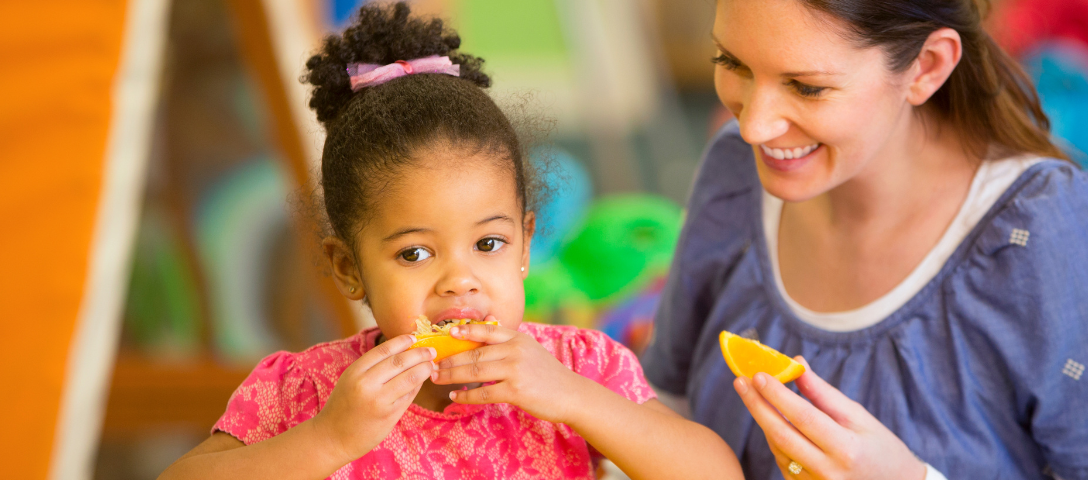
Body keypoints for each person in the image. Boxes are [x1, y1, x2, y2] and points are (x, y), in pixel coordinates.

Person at [158, 5, 742, 479]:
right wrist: (328, 439)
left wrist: (573, 398)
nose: (459, 280)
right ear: (349, 268)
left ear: (526, 244)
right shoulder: (306, 392)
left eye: (488, 244)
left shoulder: (579, 367)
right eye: (414, 253)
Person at [641, 0, 1088, 479]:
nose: (754, 126)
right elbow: (664, 408)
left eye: (807, 87)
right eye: (731, 62)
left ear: (927, 67)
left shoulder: (1056, 236)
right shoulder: (735, 170)